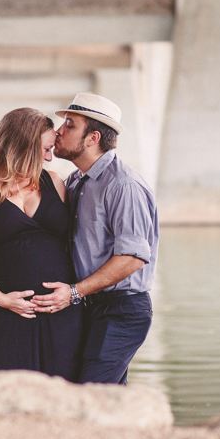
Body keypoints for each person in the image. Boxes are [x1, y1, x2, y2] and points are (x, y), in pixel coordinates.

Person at [0, 107, 84, 382]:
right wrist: (4, 300)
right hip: (0, 315)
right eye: (45, 149)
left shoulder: (54, 182)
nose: (49, 156)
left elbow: (75, 245)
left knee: (61, 399)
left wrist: (75, 293)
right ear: (24, 147)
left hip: (59, 313)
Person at [32, 93, 159, 385]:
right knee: (107, 395)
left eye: (70, 124)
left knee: (91, 391)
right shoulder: (77, 181)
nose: (59, 130)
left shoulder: (123, 185)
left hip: (121, 310)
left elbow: (132, 258)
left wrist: (74, 292)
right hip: (90, 305)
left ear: (93, 138)